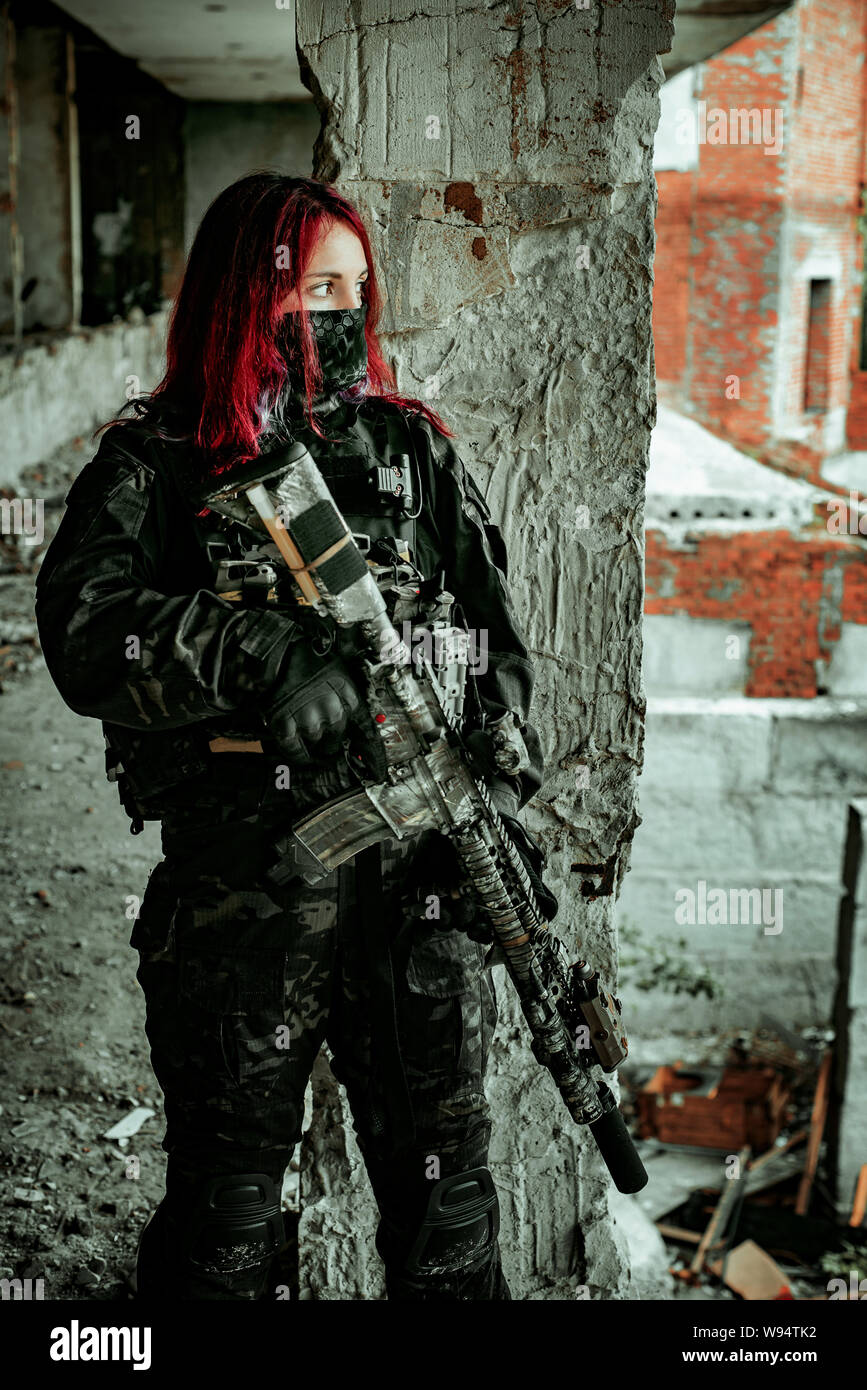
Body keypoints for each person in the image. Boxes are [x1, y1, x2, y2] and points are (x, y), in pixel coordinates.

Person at [34, 173, 545, 1301]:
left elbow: (499, 650)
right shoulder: (158, 465)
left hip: (420, 896)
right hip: (244, 904)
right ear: (243, 294)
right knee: (227, 1221)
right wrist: (262, 657)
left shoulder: (414, 453)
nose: (346, 312)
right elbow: (85, 631)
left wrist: (503, 780)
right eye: (317, 286)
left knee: (449, 1218)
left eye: (358, 286)